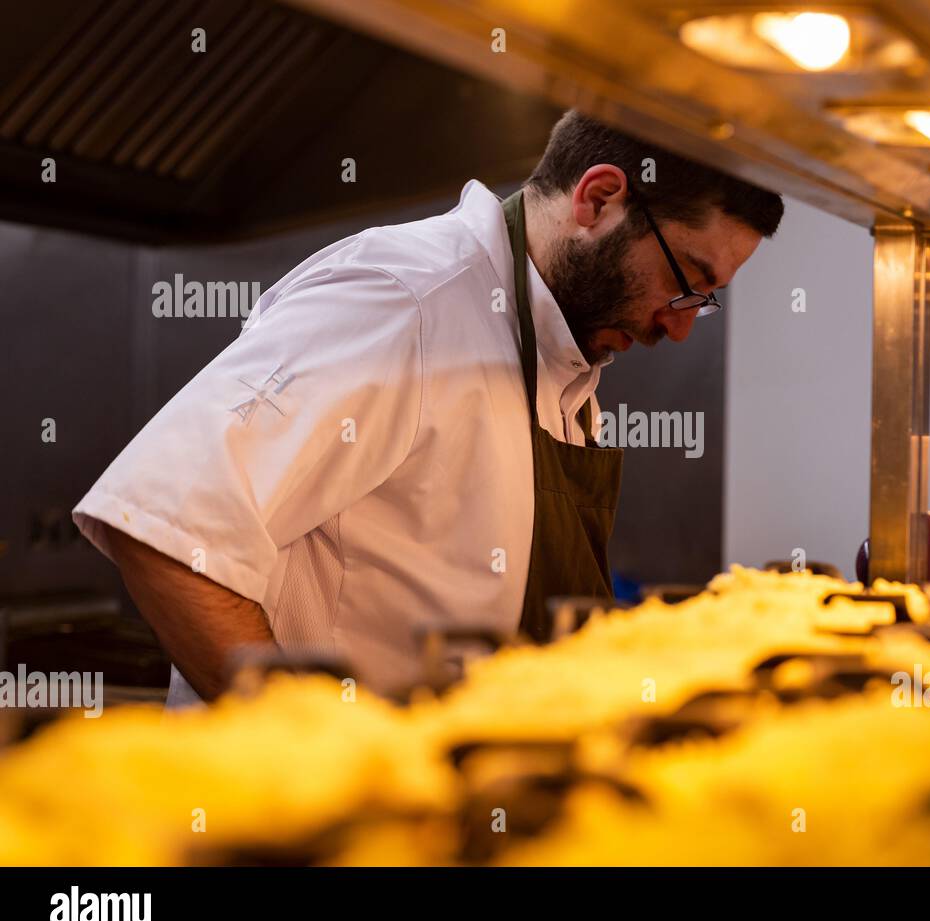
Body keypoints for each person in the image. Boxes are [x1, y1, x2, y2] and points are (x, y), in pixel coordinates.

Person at [72, 110, 784, 704]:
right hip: (322, 808)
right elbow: (167, 526)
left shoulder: (560, 354)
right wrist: (305, 742)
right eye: (685, 279)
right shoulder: (405, 300)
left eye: (703, 299)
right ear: (597, 200)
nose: (680, 326)